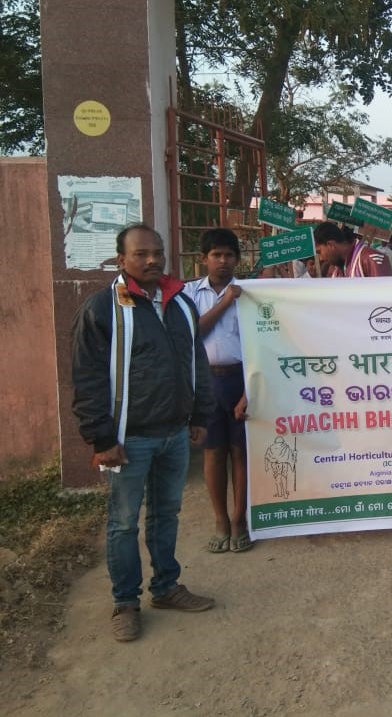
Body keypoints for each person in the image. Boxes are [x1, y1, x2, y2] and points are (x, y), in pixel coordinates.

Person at [71, 224, 216, 642]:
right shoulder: (103, 308)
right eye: (141, 254)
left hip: (173, 433)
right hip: (128, 439)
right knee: (122, 523)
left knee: (166, 514)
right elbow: (87, 379)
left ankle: (166, 587)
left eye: (158, 252)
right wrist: (102, 440)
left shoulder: (180, 304)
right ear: (121, 260)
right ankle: (125, 602)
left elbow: (196, 363)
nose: (152, 260)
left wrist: (199, 415)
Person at [184, 228, 252, 555]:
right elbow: (192, 333)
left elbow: (261, 343)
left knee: (240, 452)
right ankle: (220, 520)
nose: (222, 261)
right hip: (206, 380)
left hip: (240, 379)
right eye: (216, 255)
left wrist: (250, 389)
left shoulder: (250, 294)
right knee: (213, 453)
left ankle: (240, 520)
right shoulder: (189, 295)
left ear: (238, 259)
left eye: (228, 255)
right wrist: (225, 302)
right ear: (204, 259)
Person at [313, 221, 392, 277]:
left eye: (319, 252)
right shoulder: (336, 269)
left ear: (330, 245)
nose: (321, 258)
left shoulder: (371, 259)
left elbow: (382, 297)